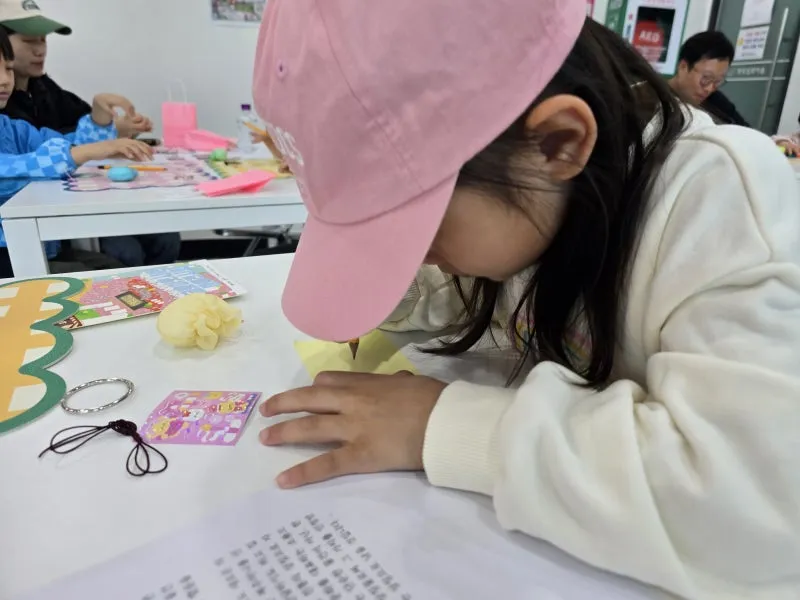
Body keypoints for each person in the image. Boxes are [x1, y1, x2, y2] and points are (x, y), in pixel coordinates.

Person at [252, 2, 800, 599]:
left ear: (557, 144)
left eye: (418, 227)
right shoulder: (538, 203)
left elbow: (755, 503)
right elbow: (470, 292)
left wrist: (444, 425)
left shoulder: (720, 197)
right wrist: (373, 281)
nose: (413, 256)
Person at [0, 0, 181, 268]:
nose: (5, 79)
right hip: (11, 252)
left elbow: (62, 143)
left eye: (8, 69)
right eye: (29, 41)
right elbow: (9, 170)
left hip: (37, 244)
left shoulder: (11, 125)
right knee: (113, 266)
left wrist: (100, 131)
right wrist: (89, 150)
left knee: (114, 268)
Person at [670, 30, 800, 155]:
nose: (709, 89)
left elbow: (747, 132)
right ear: (683, 67)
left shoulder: (715, 100)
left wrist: (775, 143)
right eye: (706, 78)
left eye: (718, 81)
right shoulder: (661, 101)